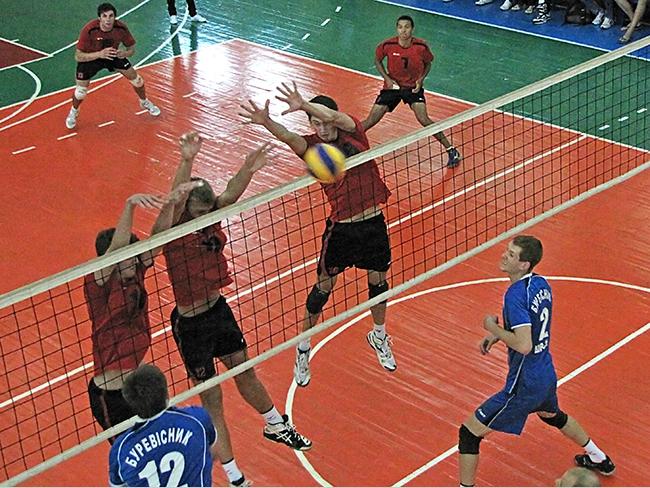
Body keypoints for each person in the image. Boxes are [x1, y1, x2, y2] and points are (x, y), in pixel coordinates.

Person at [154, 131, 312, 487]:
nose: (205, 217)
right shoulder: (172, 229)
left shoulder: (211, 214)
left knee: (245, 370)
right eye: (198, 212)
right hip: (191, 325)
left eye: (207, 211)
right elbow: (173, 202)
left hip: (218, 312)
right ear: (187, 210)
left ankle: (275, 424)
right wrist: (186, 160)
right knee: (212, 400)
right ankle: (235, 477)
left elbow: (229, 194)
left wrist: (249, 169)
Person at [239, 83, 397, 388]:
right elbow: (288, 137)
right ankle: (302, 349)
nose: (322, 128)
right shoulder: (311, 147)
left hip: (373, 223)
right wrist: (267, 121)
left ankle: (378, 335)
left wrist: (304, 105)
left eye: (324, 121)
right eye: (315, 123)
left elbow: (335, 118)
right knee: (322, 291)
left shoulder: (353, 130)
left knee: (379, 283)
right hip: (341, 229)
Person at [457, 235, 615, 487]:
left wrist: (492, 327)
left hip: (524, 384)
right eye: (507, 250)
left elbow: (523, 345)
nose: (503, 255)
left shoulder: (514, 295)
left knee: (468, 434)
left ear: (523, 264)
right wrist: (499, 336)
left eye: (511, 254)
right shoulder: (541, 284)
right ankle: (599, 457)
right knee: (553, 415)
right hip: (544, 372)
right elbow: (532, 326)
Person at [85, 189, 192, 443]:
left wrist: (170, 205)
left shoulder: (136, 272)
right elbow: (116, 249)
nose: (134, 261)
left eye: (135, 256)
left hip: (138, 387)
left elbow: (159, 236)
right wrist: (130, 206)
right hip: (110, 395)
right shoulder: (98, 284)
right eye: (128, 258)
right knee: (128, 456)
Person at [362, 15, 461, 168]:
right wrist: (387, 78)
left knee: (424, 119)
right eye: (400, 27)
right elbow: (377, 60)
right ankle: (346, 144)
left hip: (412, 88)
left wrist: (421, 79)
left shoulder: (421, 47)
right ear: (397, 29)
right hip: (393, 88)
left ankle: (451, 150)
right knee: (371, 120)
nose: (403, 30)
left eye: (407, 27)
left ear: (412, 29)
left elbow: (428, 63)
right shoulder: (387, 45)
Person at [108, 364, 216, 487]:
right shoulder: (197, 418)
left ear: (130, 403)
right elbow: (211, 449)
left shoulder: (121, 449)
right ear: (166, 393)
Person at [65, 2, 160, 130]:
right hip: (91, 58)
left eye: (111, 16)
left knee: (138, 81)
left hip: (112, 55)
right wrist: (99, 54)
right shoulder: (89, 30)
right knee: (80, 92)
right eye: (104, 16)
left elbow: (131, 49)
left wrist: (124, 53)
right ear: (99, 18)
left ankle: (144, 102)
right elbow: (78, 56)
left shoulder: (121, 28)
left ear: (115, 17)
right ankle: (74, 111)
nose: (108, 19)